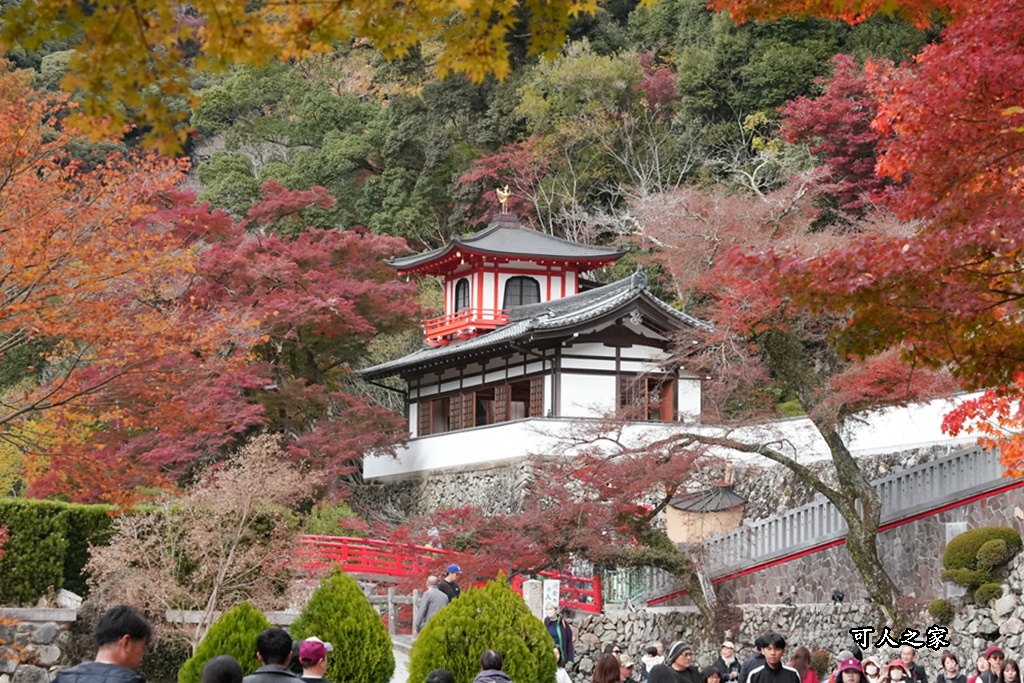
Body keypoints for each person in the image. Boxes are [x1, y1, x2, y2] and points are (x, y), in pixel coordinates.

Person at [55, 605, 152, 683]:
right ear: (126, 643)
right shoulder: (131, 681)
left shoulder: (62, 678)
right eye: (142, 648)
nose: (141, 659)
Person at [545, 606, 575, 672]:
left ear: (556, 610)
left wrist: (570, 660)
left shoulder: (563, 624)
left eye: (550, 609)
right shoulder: (544, 623)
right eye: (547, 609)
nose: (548, 611)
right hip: (547, 658)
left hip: (561, 658)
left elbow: (569, 642)